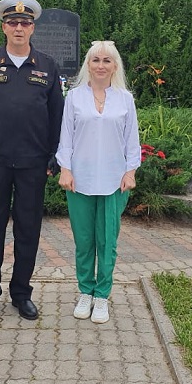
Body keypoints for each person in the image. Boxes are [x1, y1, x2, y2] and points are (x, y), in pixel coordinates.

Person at [0, 0, 64, 321]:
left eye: (25, 23)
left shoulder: (47, 66)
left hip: (33, 163)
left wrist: (56, 154)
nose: (19, 28)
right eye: (12, 22)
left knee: (28, 230)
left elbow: (57, 116)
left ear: (33, 28)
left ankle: (21, 293)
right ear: (4, 27)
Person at [56, 41, 141, 324]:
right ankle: (85, 292)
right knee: (84, 241)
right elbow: (66, 138)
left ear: (115, 66)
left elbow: (132, 141)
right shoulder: (74, 97)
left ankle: (102, 295)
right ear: (88, 65)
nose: (101, 65)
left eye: (107, 60)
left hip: (114, 182)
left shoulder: (125, 99)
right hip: (79, 180)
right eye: (96, 60)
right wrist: (65, 169)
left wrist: (130, 172)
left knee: (107, 242)